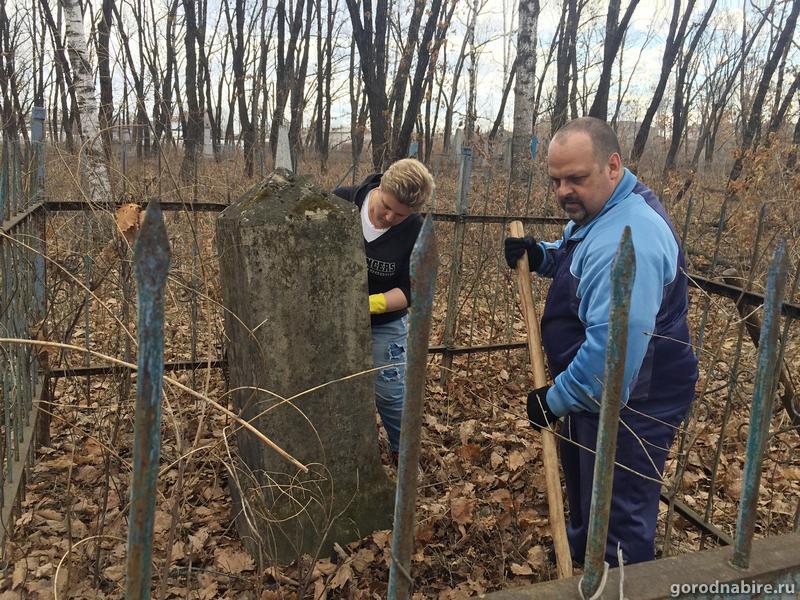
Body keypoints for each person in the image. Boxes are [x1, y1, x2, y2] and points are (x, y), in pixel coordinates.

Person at [503, 117, 698, 567]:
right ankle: (581, 564)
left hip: (630, 402)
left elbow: (613, 357)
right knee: (589, 493)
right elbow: (580, 260)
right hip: (593, 393)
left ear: (612, 165)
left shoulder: (629, 239)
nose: (564, 191)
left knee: (617, 515)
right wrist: (544, 256)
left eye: (576, 178)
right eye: (556, 180)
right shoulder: (609, 210)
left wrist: (555, 398)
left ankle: (616, 579)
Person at [334, 158, 434, 461]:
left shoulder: (416, 230)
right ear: (381, 187)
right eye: (386, 207)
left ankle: (403, 454)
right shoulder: (341, 202)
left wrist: (367, 305)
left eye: (400, 214)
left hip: (384, 323)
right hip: (333, 319)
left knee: (390, 393)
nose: (389, 217)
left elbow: (410, 291)